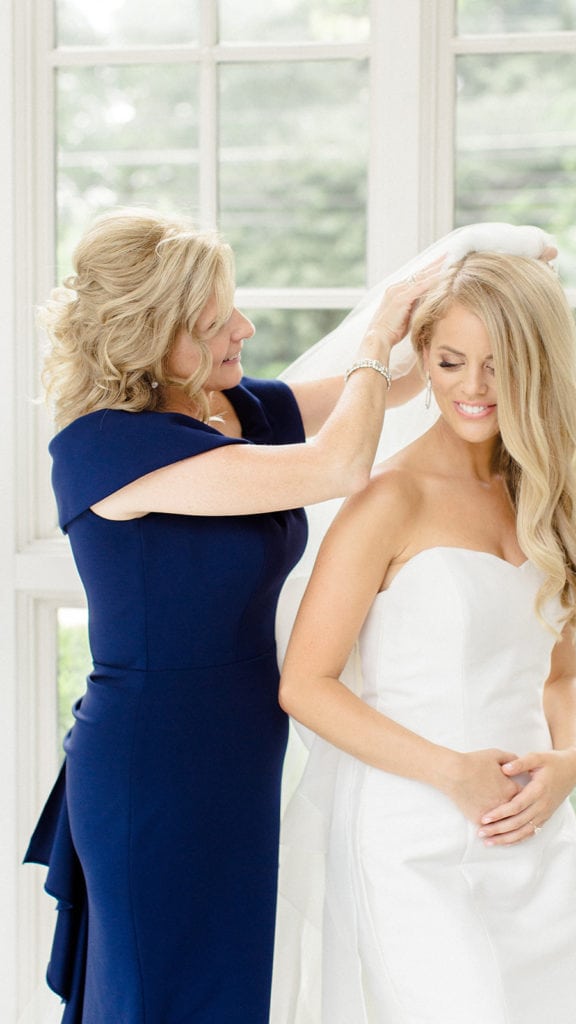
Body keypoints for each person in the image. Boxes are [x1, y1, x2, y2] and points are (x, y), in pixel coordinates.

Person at [23, 206, 446, 1024]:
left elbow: (394, 388)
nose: (244, 329)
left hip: (240, 753)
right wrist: (371, 336)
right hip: (154, 763)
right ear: (150, 338)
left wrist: (462, 293)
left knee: (228, 990)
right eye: (216, 323)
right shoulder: (104, 448)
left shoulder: (229, 409)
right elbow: (341, 464)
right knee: (160, 993)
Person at [273, 251, 576, 1023]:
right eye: (451, 361)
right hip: (411, 833)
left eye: (499, 364)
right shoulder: (386, 500)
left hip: (531, 834)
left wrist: (569, 761)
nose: (473, 387)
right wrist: (449, 772)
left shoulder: (546, 497)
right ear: (421, 358)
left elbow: (557, 678)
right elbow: (306, 685)